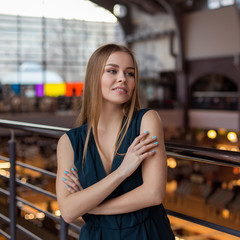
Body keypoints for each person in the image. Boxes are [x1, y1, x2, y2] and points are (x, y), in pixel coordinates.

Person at [56, 43, 175, 239]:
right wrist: (122, 171)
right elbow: (68, 211)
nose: (123, 78)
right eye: (112, 71)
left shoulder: (147, 120)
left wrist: (91, 207)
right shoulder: (70, 142)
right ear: (94, 77)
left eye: (130, 73)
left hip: (147, 233)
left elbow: (153, 194)